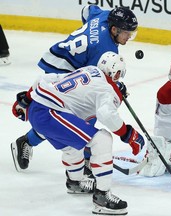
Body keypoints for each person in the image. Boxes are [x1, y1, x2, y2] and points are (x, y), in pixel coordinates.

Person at [12, 52, 145, 215]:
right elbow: (106, 114)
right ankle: (102, 198)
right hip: (48, 112)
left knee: (72, 146)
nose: (119, 77)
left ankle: (75, 182)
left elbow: (45, 79)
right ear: (116, 73)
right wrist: (128, 134)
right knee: (102, 139)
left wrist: (26, 99)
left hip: (39, 106)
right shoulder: (106, 90)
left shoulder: (89, 70)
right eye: (119, 74)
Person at [11, 5, 138, 172]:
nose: (128, 36)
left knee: (60, 117)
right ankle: (85, 160)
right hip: (62, 70)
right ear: (113, 29)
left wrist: (88, 36)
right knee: (83, 115)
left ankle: (26, 141)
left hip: (58, 56)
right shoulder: (104, 49)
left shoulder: (104, 15)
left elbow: (87, 9)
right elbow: (97, 81)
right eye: (126, 32)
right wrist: (116, 86)